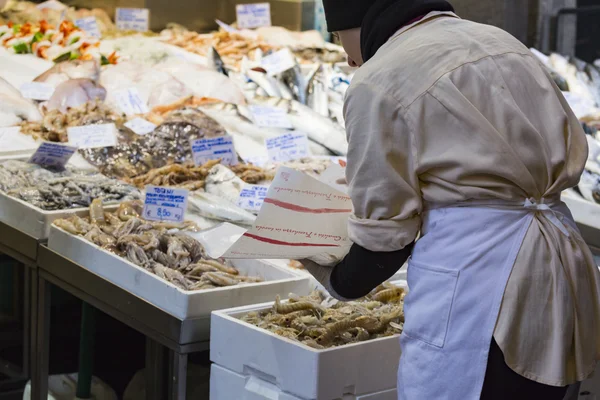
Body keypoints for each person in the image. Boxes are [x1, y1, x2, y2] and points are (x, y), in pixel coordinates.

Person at [301, 0, 600, 399]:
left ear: (359, 20)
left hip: (481, 286)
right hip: (563, 267)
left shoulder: (379, 77)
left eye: (338, 37)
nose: (347, 57)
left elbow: (386, 235)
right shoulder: (504, 42)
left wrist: (337, 278)